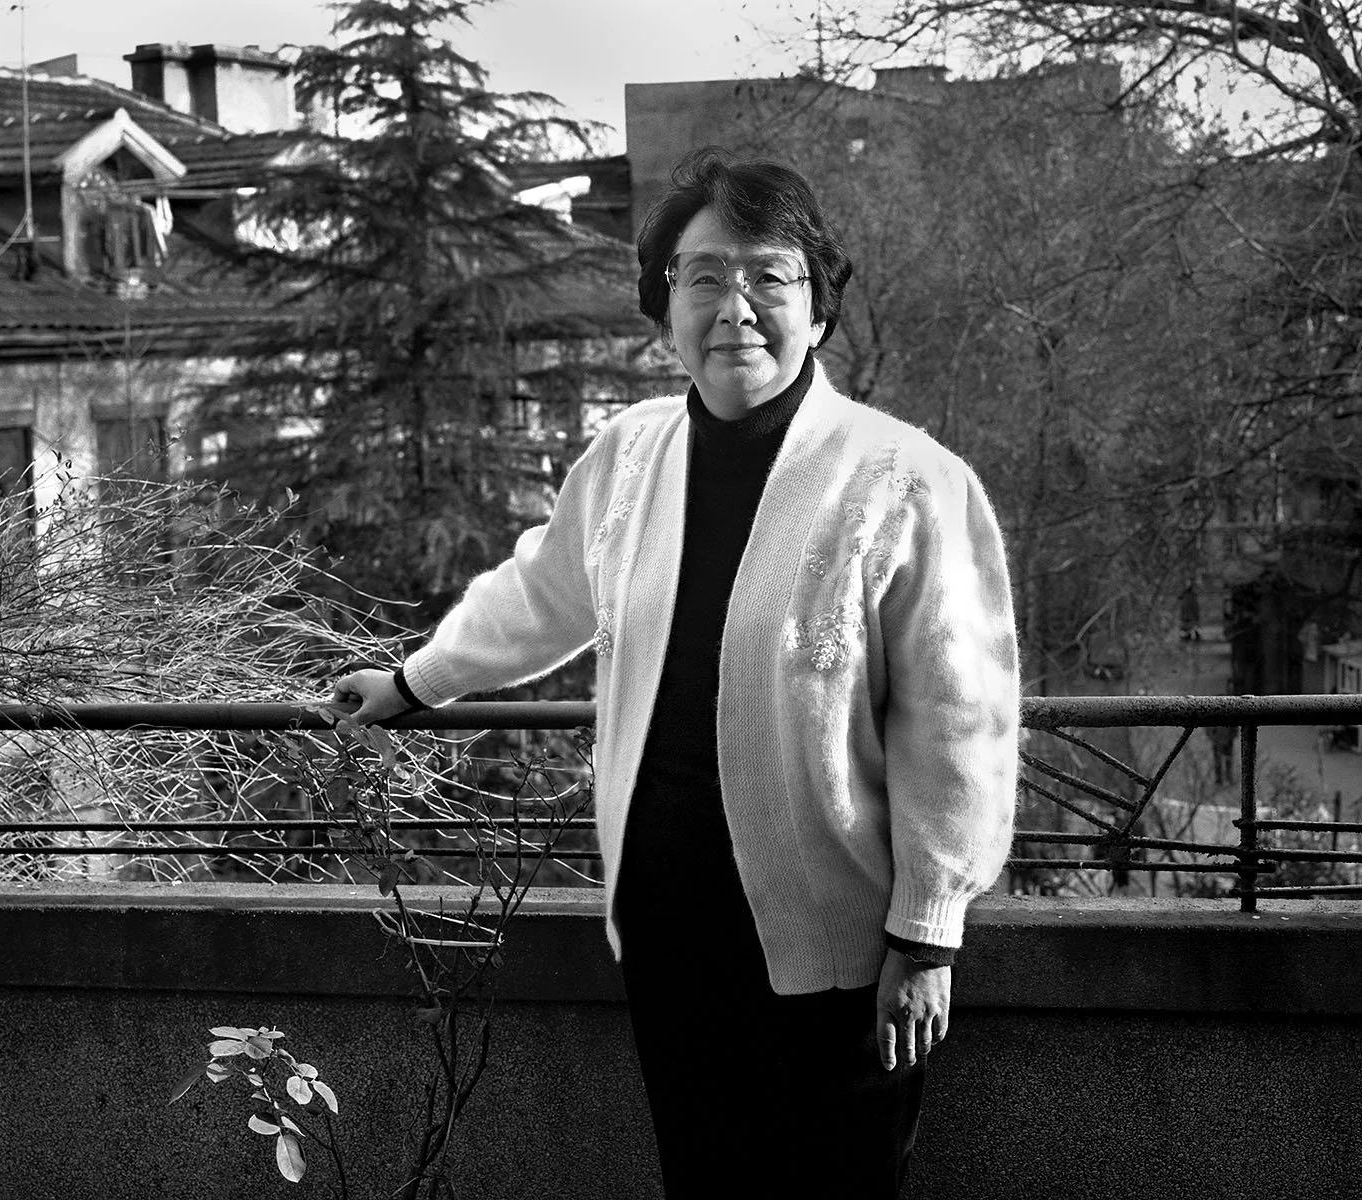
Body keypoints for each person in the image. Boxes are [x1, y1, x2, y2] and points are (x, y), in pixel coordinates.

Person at [334, 149, 1020, 1198]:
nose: (733, 308)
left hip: (832, 949)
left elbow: (958, 718)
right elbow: (544, 592)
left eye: (767, 276)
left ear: (818, 305)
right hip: (669, 931)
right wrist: (418, 681)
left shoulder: (908, 480)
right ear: (663, 307)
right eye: (702, 277)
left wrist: (927, 935)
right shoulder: (630, 455)